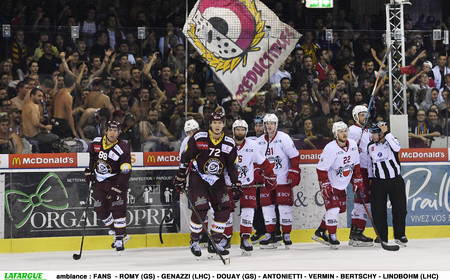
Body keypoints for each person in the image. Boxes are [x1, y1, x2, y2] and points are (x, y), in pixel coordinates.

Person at [173, 110, 242, 258]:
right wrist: (180, 178)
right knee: (201, 209)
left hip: (218, 181)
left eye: (220, 122)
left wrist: (236, 184)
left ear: (223, 124)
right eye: (214, 122)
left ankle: (216, 242)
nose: (217, 125)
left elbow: (231, 167)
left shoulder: (229, 143)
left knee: (225, 209)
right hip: (198, 180)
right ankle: (195, 240)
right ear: (210, 123)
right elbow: (185, 159)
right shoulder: (199, 137)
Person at [312, 121, 362, 249]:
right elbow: (321, 169)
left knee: (339, 209)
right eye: (340, 131)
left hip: (342, 184)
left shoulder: (353, 146)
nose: (344, 133)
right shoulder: (330, 148)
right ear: (335, 134)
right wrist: (325, 184)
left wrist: (357, 179)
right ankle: (332, 236)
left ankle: (320, 231)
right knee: (333, 209)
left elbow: (356, 165)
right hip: (330, 183)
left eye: (345, 130)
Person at [85, 121, 132, 251]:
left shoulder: (123, 147)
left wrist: (118, 186)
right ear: (105, 131)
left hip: (115, 181)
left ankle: (118, 239)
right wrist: (89, 172)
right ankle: (120, 233)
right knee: (99, 210)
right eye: (111, 130)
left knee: (118, 210)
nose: (113, 133)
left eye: (116, 131)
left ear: (119, 132)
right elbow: (92, 159)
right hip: (100, 182)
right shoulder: (96, 143)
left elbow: (126, 170)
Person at [256, 113, 301, 249]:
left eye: (272, 123)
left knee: (284, 207)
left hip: (283, 179)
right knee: (267, 207)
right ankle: (270, 234)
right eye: (267, 123)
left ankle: (286, 235)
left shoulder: (284, 138)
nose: (269, 125)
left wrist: (294, 173)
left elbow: (294, 157)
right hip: (267, 181)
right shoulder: (259, 142)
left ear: (276, 125)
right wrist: (257, 173)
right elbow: (255, 161)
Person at [232, 119, 276, 254]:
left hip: (247, 183)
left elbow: (263, 162)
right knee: (225, 212)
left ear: (246, 131)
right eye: (237, 129)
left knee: (249, 211)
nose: (240, 132)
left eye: (242, 129)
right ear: (233, 130)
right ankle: (224, 238)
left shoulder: (252, 145)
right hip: (229, 184)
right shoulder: (226, 144)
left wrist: (270, 175)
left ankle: (245, 238)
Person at [367, 122, 407, 247]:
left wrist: (387, 132)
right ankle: (381, 236)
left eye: (375, 133)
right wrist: (370, 177)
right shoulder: (370, 146)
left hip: (395, 180)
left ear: (381, 134)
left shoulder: (391, 141)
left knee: (399, 209)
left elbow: (397, 148)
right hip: (379, 182)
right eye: (372, 133)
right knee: (378, 210)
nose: (373, 136)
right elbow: (369, 163)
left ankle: (400, 235)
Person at [347, 105, 374, 246]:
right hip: (359, 170)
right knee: (361, 201)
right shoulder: (352, 130)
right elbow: (346, 148)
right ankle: (357, 234)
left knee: (364, 200)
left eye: (366, 114)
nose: (365, 117)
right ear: (356, 117)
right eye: (362, 114)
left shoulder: (368, 131)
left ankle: (355, 233)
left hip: (368, 170)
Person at [22, 88, 59, 153]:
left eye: (42, 96)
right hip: (33, 136)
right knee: (56, 137)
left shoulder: (26, 105)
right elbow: (35, 123)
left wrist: (39, 117)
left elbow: (30, 120)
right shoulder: (34, 106)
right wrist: (46, 127)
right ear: (32, 96)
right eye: (39, 96)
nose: (41, 98)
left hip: (26, 135)